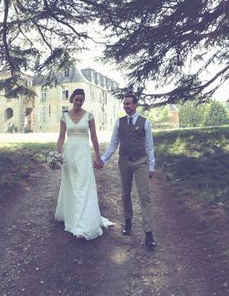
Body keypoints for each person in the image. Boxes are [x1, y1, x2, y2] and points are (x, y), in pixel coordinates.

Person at [97, 94, 157, 250]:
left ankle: (149, 234)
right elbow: (113, 144)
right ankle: (128, 221)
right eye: (124, 104)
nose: (126, 106)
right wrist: (103, 159)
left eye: (128, 104)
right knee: (125, 194)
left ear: (135, 105)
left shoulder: (145, 123)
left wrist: (151, 166)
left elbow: (150, 146)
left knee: (145, 196)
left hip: (140, 162)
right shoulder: (119, 122)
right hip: (124, 161)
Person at [55, 88, 113, 240]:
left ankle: (82, 225)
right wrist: (57, 154)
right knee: (71, 185)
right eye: (77, 100)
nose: (79, 102)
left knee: (83, 186)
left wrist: (99, 158)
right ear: (72, 99)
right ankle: (71, 216)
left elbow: (94, 138)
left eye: (81, 100)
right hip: (69, 154)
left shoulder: (89, 116)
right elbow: (61, 137)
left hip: (83, 155)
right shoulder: (64, 116)